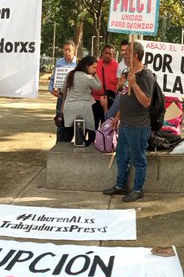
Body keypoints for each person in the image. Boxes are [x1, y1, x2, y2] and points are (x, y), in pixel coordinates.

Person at [102, 41, 155, 202]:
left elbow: (146, 101)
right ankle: (120, 185)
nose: (124, 54)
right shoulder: (128, 72)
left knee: (138, 159)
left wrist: (134, 84)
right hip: (125, 124)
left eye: (127, 53)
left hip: (138, 127)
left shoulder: (146, 76)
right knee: (121, 157)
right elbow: (125, 97)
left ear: (136, 56)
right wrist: (117, 117)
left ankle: (138, 189)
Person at [60, 55, 104, 146]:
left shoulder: (70, 74)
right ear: (87, 66)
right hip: (84, 109)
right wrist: (95, 74)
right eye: (94, 67)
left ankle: (63, 153)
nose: (95, 70)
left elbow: (63, 90)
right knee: (83, 134)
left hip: (69, 108)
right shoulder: (88, 78)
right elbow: (99, 87)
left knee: (67, 134)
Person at [50, 40, 77, 141]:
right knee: (60, 120)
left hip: (74, 98)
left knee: (73, 122)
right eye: (65, 50)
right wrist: (51, 89)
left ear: (74, 51)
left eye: (69, 50)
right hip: (61, 97)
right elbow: (53, 78)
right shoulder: (59, 62)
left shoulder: (79, 64)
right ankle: (59, 146)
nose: (67, 52)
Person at [95, 45, 119, 127]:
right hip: (95, 101)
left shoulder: (117, 67)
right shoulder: (96, 64)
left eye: (110, 53)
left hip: (110, 102)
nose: (108, 55)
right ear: (102, 53)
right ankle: (91, 140)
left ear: (113, 55)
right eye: (106, 53)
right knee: (92, 127)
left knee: (107, 126)